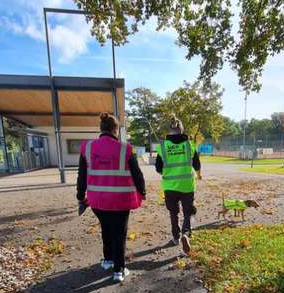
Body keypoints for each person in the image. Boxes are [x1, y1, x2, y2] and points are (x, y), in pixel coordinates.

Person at [76, 113, 146, 283]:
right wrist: (142, 191)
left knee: (106, 229)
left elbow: (82, 175)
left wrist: (80, 196)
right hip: (120, 202)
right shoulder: (126, 148)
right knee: (119, 234)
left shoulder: (88, 148)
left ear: (101, 128)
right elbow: (137, 174)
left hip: (97, 201)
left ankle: (107, 261)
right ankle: (119, 271)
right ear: (116, 129)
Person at [155, 116, 201, 254]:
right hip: (187, 186)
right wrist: (198, 174)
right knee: (188, 212)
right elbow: (197, 165)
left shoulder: (163, 147)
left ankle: (175, 237)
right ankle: (186, 233)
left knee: (173, 213)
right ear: (182, 130)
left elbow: (158, 168)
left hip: (170, 187)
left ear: (170, 131)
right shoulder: (189, 145)